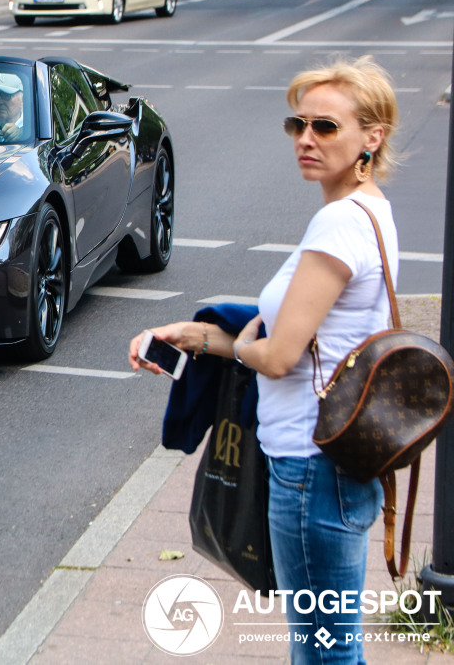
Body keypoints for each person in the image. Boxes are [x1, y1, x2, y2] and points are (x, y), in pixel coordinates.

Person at [127, 57, 400, 665]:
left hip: (310, 464)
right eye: (297, 124)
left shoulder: (339, 224)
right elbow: (298, 337)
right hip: (331, 460)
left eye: (326, 126)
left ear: (371, 136)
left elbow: (276, 356)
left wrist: (249, 343)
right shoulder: (370, 213)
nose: (306, 138)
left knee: (322, 652)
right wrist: (201, 338)